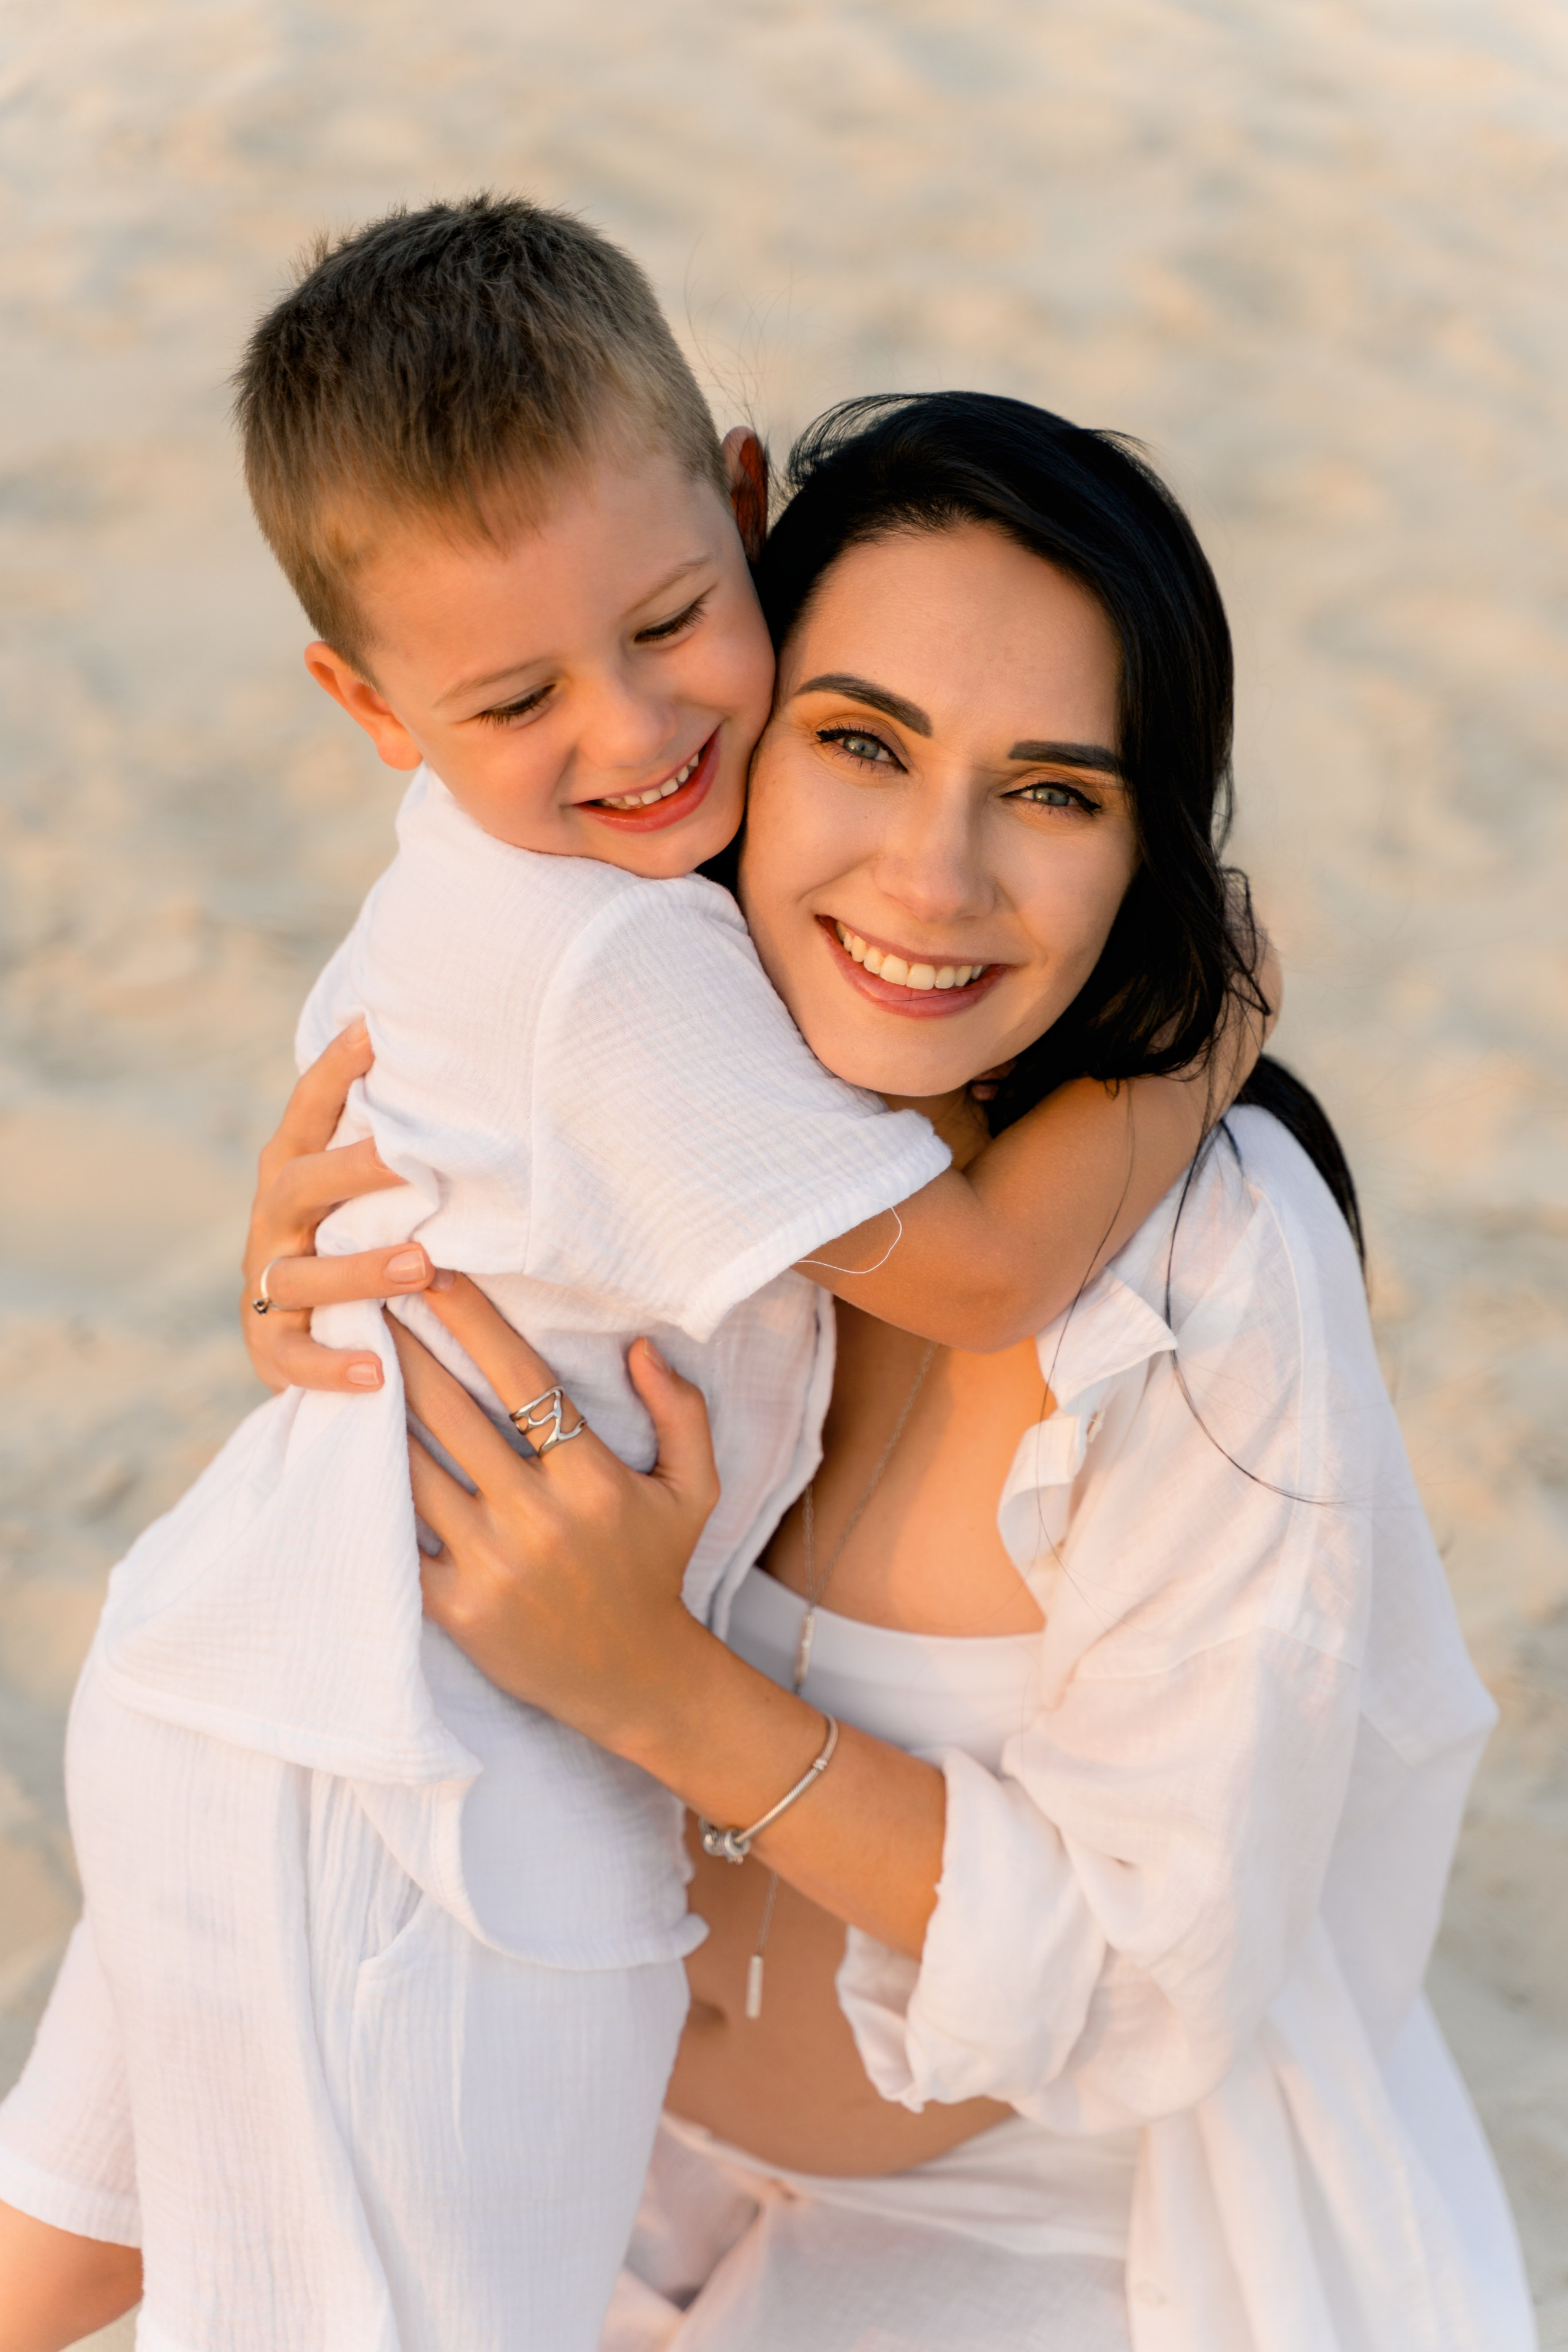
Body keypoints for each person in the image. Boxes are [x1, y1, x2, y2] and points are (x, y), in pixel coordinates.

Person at [0, 210, 1253, 2352]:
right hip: (429, 1772)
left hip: (267, 1671)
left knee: (77, 2251)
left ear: (750, 507)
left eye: (676, 622)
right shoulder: (615, 960)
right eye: (518, 697)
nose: (636, 729)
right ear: (365, 706)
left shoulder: (504, 877)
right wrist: (1205, 1041)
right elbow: (966, 1276)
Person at [243, 394, 1536, 2350]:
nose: (933, 882)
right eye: (860, 742)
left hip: (1010, 2214)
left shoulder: (1212, 1284)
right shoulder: (598, 1071)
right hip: (554, 2092)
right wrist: (291, 1307)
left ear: (1142, 852)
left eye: (1055, 792)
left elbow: (1153, 1972)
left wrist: (669, 1695)